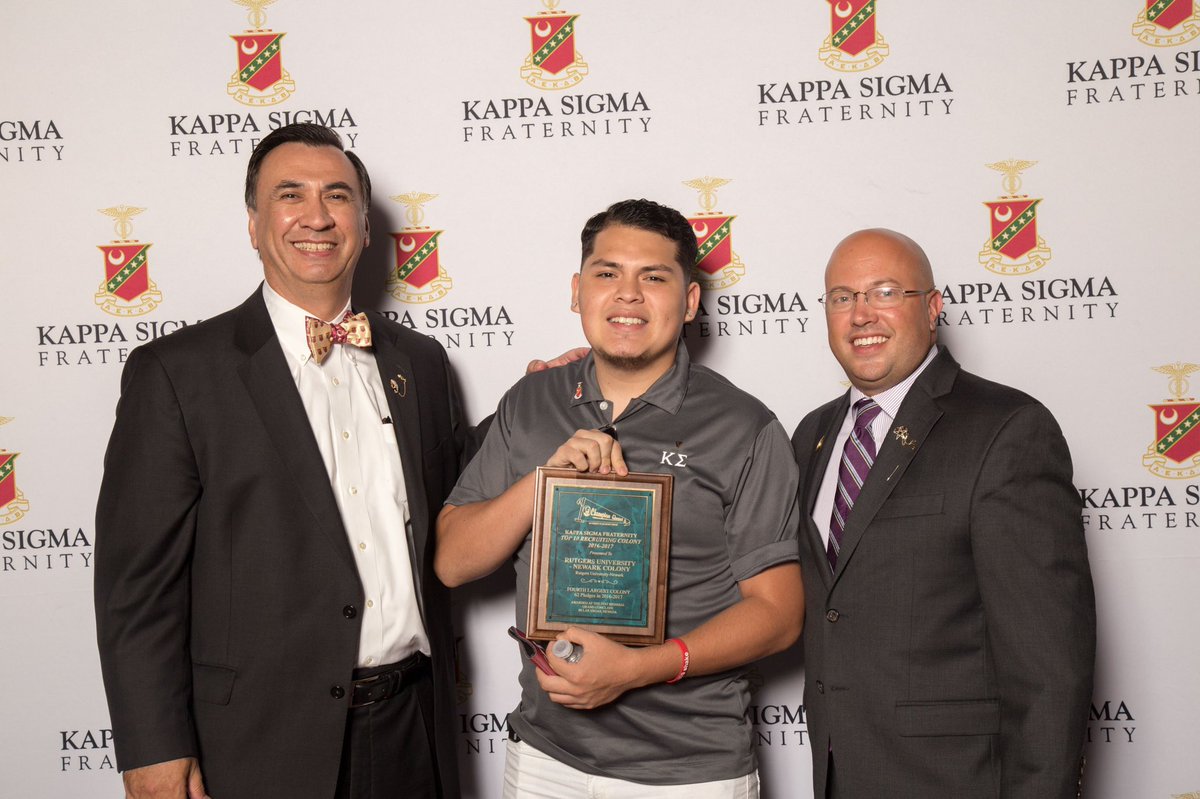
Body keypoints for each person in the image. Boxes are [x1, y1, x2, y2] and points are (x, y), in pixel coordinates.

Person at [95, 123, 475, 799]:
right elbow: (136, 591)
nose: (317, 215)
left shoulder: (421, 362)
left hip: (414, 730)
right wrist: (152, 749)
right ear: (253, 223)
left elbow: (459, 507)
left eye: (337, 195)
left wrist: (549, 402)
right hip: (258, 743)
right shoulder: (178, 374)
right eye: (289, 195)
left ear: (362, 222)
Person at [436, 199, 804, 798]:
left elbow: (779, 614)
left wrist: (637, 669)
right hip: (543, 759)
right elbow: (453, 561)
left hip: (689, 771)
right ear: (578, 291)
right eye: (608, 274)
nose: (628, 295)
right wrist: (542, 481)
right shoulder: (530, 402)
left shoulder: (745, 427)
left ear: (689, 302)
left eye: (653, 277)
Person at [790, 228, 1096, 798]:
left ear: (932, 309)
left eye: (885, 292)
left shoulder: (1005, 429)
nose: (861, 314)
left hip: (957, 780)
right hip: (840, 775)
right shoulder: (813, 434)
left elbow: (1051, 668)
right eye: (842, 297)